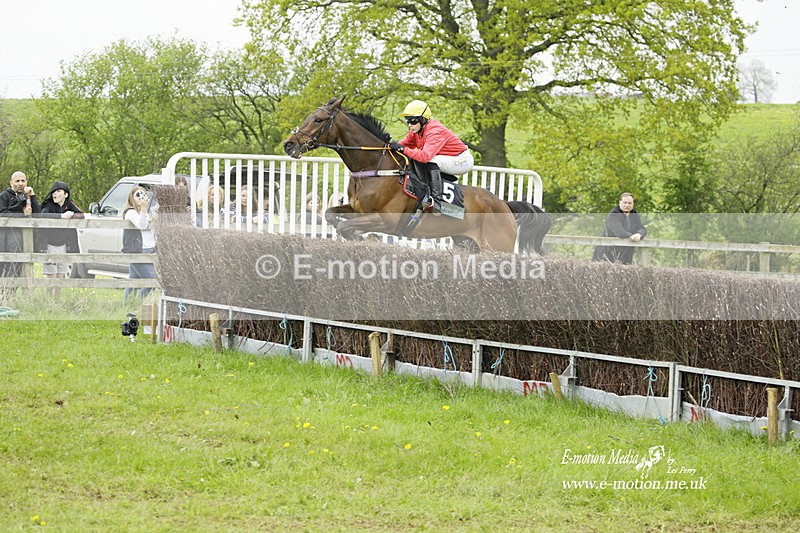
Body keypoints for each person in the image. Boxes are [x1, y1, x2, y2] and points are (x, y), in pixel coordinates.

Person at [389, 100, 474, 213]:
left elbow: (424, 156)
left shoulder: (434, 131)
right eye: (408, 121)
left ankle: (436, 203)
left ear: (423, 120)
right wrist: (389, 145)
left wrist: (403, 149)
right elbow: (401, 145)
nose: (410, 125)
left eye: (413, 121)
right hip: (448, 158)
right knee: (415, 157)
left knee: (430, 160)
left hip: (462, 160)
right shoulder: (416, 131)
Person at [37, 181, 84, 299]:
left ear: (66, 194)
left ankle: (57, 302)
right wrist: (61, 216)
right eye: (53, 192)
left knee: (60, 278)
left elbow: (81, 215)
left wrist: (71, 216)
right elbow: (42, 216)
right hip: (49, 246)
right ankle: (47, 301)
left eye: (58, 191)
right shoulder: (48, 205)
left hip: (63, 246)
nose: (55, 194)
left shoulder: (69, 204)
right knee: (52, 278)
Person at [0, 171, 41, 279]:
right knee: (5, 261)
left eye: (23, 181)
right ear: (11, 183)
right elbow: (2, 213)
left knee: (19, 262)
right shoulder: (4, 196)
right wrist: (22, 214)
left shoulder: (28, 196)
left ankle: (15, 286)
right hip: (5, 235)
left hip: (25, 235)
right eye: (17, 181)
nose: (20, 183)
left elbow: (38, 214)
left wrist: (33, 196)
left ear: (26, 182)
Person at [122, 186, 157, 301]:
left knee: (133, 281)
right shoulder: (130, 212)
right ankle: (137, 303)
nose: (140, 197)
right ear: (131, 198)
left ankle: (127, 305)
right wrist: (143, 209)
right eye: (137, 195)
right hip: (138, 250)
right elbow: (142, 225)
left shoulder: (146, 212)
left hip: (149, 249)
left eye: (142, 194)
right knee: (152, 281)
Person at [592, 192, 647, 265]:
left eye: (630, 203)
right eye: (625, 203)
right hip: (606, 254)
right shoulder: (613, 215)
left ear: (633, 204)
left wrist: (639, 234)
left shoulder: (634, 213)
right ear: (620, 202)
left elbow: (643, 229)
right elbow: (620, 233)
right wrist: (633, 236)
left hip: (625, 255)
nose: (627, 205)